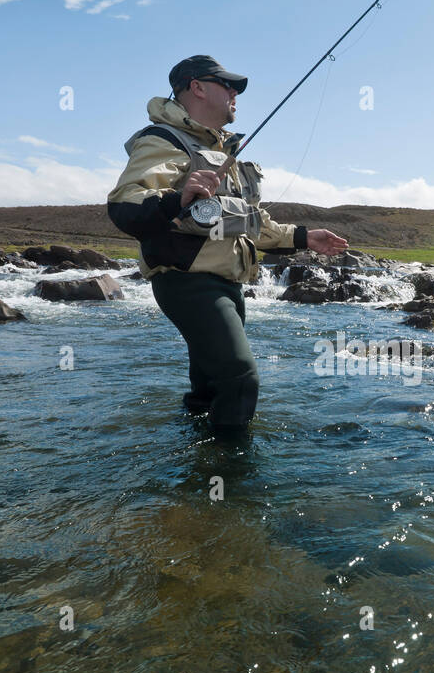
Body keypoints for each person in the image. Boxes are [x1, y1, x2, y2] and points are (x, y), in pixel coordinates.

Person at [107, 55, 348, 431]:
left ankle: (192, 464)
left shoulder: (225, 154)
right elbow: (126, 202)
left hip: (228, 283)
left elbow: (248, 223)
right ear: (197, 87)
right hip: (190, 281)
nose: (235, 93)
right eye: (227, 85)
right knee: (239, 379)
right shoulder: (163, 140)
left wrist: (303, 237)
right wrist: (176, 198)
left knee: (208, 388)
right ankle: (230, 480)